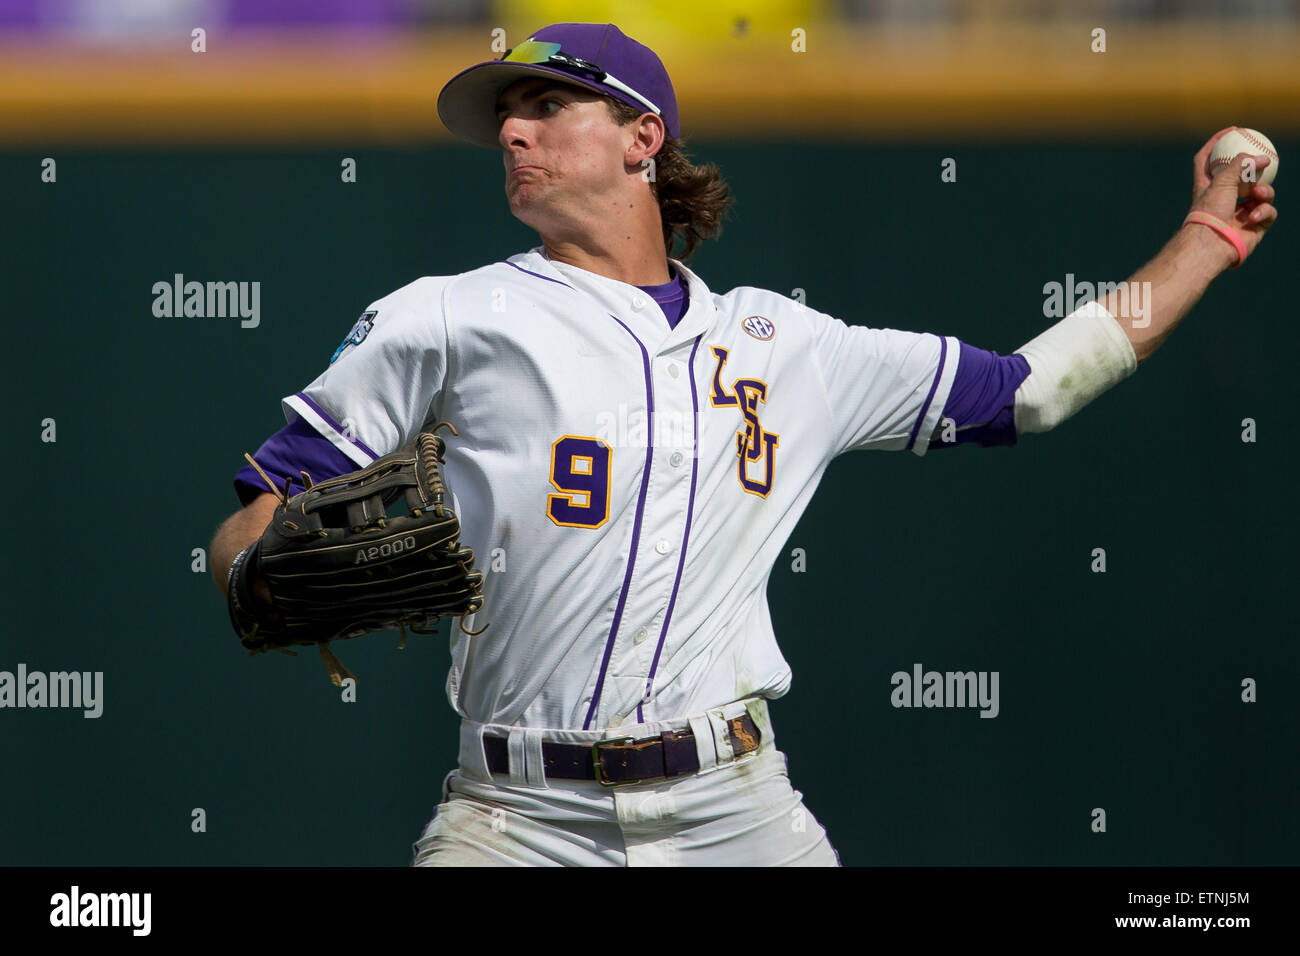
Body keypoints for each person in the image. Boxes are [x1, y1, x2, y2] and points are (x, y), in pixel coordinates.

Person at [210, 22, 1276, 866]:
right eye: (506, 116)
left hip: (735, 808)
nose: (512, 132)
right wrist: (252, 568)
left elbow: (1032, 391)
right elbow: (258, 508)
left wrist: (1204, 241)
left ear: (642, 139)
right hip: (515, 814)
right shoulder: (444, 315)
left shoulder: (785, 343)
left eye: (546, 104)